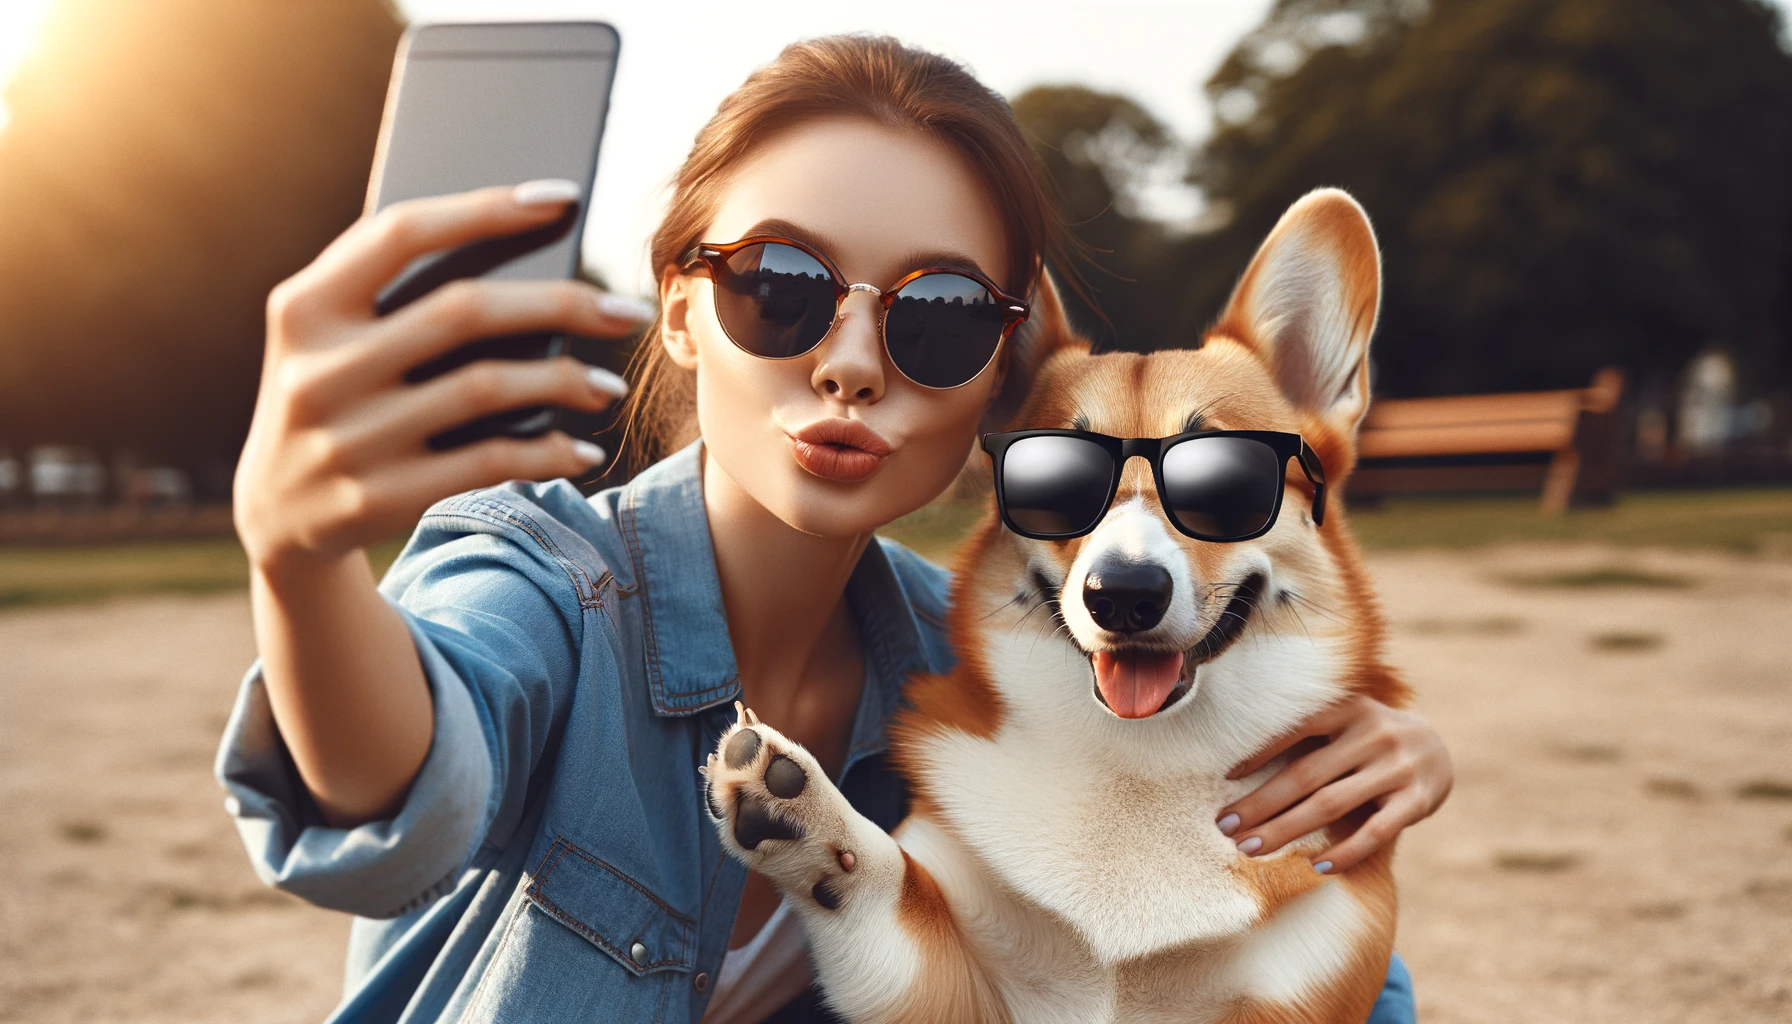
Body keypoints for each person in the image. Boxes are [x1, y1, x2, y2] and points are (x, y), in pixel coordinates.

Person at [219, 34, 1451, 1024]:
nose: (854, 364)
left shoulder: (984, 660)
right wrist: (302, 560)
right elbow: (398, 807)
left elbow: (1290, 958)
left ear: (998, 384)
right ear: (685, 311)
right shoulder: (540, 581)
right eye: (781, 285)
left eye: (942, 315)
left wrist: (1366, 754)